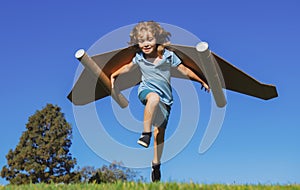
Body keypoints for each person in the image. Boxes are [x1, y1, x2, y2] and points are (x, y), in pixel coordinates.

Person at [110, 21, 209, 182]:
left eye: (149, 39)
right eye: (141, 41)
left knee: (160, 133)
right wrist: (114, 74)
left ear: (157, 39)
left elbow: (184, 69)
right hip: (146, 91)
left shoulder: (168, 56)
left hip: (167, 100)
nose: (145, 44)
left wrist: (201, 81)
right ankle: (145, 134)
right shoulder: (139, 58)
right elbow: (128, 67)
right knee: (153, 98)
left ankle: (156, 164)